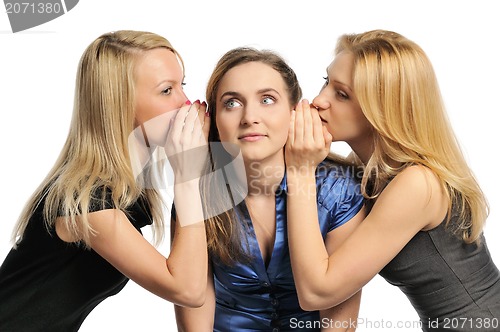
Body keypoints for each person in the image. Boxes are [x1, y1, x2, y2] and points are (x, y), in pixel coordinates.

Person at [285, 29, 500, 331]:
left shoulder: (418, 184)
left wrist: (299, 171)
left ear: (382, 111)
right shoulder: (371, 174)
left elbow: (317, 291)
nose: (319, 100)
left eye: (342, 94)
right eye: (326, 82)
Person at [0, 30, 210, 331]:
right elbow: (188, 290)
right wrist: (188, 174)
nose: (186, 102)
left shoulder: (123, 190)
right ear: (120, 103)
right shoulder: (87, 200)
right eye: (167, 91)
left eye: (182, 86)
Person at [173, 47, 365, 331]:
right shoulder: (195, 192)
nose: (250, 116)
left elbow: (339, 326)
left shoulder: (339, 191)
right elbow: (194, 320)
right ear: (213, 119)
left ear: (295, 111)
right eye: (232, 103)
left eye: (267, 99)